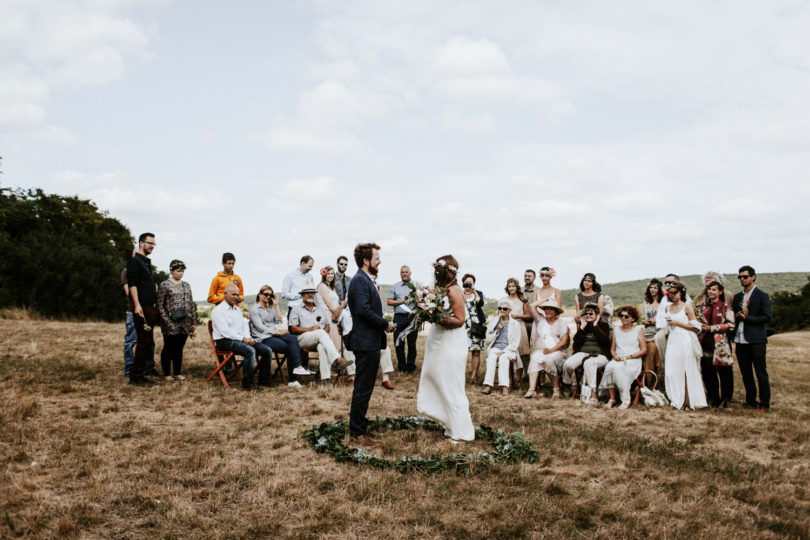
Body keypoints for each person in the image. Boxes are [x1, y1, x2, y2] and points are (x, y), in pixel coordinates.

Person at [417, 255, 475, 443]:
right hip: (439, 339)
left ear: (449, 271)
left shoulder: (454, 290)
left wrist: (435, 318)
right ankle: (450, 424)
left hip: (450, 342)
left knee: (451, 384)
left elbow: (459, 320)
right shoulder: (442, 289)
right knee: (437, 379)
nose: (436, 273)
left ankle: (462, 432)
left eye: (439, 270)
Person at [347, 242, 396, 446]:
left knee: (365, 387)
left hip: (371, 341)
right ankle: (357, 433)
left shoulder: (366, 280)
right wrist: (385, 324)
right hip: (365, 342)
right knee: (363, 388)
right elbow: (363, 311)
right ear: (366, 261)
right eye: (376, 259)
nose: (380, 261)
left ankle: (360, 423)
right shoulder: (359, 281)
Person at [249, 285, 313, 388]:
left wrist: (276, 305)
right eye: (266, 294)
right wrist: (277, 332)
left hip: (273, 335)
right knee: (291, 347)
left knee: (293, 338)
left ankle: (298, 367)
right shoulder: (254, 309)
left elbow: (278, 320)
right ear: (259, 295)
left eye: (270, 295)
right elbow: (259, 327)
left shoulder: (270, 308)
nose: (268, 297)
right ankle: (293, 379)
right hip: (262, 338)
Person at [211, 285, 272, 390]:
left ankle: (264, 381)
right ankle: (248, 384)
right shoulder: (218, 311)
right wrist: (243, 339)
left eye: (237, 294)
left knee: (267, 350)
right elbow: (225, 332)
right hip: (224, 341)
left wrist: (248, 338)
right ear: (225, 294)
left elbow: (244, 326)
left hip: (240, 339)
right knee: (250, 350)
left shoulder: (237, 310)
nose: (236, 297)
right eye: (233, 294)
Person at [289, 287, 349, 383]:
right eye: (307, 293)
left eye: (312, 293)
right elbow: (293, 328)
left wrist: (323, 331)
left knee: (322, 347)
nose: (310, 295)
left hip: (319, 338)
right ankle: (337, 359)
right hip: (303, 338)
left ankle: (325, 379)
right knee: (320, 333)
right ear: (302, 295)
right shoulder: (296, 309)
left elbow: (327, 326)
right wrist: (310, 329)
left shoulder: (319, 309)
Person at [733, 265, 772, 412]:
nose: (742, 279)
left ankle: (764, 404)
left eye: (745, 276)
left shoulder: (762, 295)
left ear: (753, 277)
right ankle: (751, 401)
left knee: (760, 373)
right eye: (740, 277)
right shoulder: (738, 297)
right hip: (740, 340)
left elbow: (767, 317)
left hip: (756, 340)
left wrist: (748, 318)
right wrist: (737, 317)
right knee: (746, 373)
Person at [662, 281, 707, 410]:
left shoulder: (687, 306)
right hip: (672, 340)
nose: (673, 295)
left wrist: (677, 323)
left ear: (681, 292)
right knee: (672, 370)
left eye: (675, 293)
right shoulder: (667, 308)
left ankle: (688, 401)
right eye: (670, 293)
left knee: (686, 371)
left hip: (685, 339)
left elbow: (696, 328)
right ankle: (677, 398)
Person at [562, 303, 612, 404]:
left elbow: (604, 340)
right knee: (568, 365)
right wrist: (582, 328)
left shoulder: (604, 325)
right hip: (582, 353)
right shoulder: (583, 326)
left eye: (591, 314)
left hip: (600, 355)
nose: (588, 315)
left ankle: (593, 393)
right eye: (586, 314)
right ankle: (567, 385)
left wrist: (595, 325)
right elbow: (575, 344)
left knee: (589, 363)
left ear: (597, 315)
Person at [126, 232, 158, 387]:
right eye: (149, 243)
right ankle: (136, 376)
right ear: (141, 243)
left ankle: (141, 372)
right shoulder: (135, 262)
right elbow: (132, 285)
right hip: (142, 307)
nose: (152, 246)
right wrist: (137, 305)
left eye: (153, 244)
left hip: (150, 306)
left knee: (147, 341)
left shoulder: (145, 262)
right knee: (143, 341)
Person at [599, 306, 646, 409]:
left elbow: (643, 350)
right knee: (609, 367)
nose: (623, 318)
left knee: (619, 369)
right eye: (621, 316)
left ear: (633, 318)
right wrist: (615, 356)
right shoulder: (616, 330)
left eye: (626, 316)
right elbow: (612, 348)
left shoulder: (639, 329)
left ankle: (625, 400)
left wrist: (629, 357)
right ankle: (612, 398)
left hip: (633, 359)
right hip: (618, 358)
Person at [157, 259, 197, 381]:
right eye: (178, 271)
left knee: (179, 348)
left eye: (182, 271)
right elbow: (160, 305)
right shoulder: (165, 285)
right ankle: (167, 373)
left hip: (185, 323)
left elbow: (191, 304)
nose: (180, 273)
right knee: (169, 348)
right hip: (170, 322)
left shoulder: (186, 285)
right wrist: (167, 321)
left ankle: (177, 372)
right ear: (172, 271)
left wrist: (193, 323)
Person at [699, 281, 735, 408]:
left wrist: (712, 328)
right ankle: (713, 398)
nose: (711, 292)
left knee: (724, 371)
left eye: (714, 289)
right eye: (709, 289)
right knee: (708, 372)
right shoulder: (704, 306)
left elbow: (731, 324)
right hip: (705, 342)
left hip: (720, 343)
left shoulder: (726, 306)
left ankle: (726, 398)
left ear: (720, 292)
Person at [525, 300, 569, 399]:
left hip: (558, 351)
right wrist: (546, 299)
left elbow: (564, 341)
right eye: (546, 309)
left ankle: (556, 389)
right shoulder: (540, 320)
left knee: (548, 359)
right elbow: (532, 306)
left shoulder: (561, 323)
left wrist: (551, 350)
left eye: (551, 309)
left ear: (556, 312)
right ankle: (532, 389)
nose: (548, 311)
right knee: (535, 357)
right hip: (542, 350)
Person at [653, 273, 693, 371]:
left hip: (681, 328)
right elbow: (660, 315)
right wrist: (661, 327)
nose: (667, 284)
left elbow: (688, 315)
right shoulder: (664, 298)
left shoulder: (685, 298)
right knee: (659, 342)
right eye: (665, 282)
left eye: (670, 282)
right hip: (665, 329)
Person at [481, 299, 521, 396]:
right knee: (491, 357)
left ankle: (504, 387)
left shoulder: (515, 324)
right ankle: (488, 385)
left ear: (509, 310)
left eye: (505, 309)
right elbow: (488, 340)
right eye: (500, 308)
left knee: (503, 358)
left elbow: (515, 343)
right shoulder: (494, 322)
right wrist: (497, 331)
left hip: (509, 349)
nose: (502, 310)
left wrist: (504, 351)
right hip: (495, 347)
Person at [388, 265, 417, 373]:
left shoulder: (416, 286)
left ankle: (410, 367)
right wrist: (400, 302)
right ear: (400, 274)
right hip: (399, 318)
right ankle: (401, 366)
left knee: (412, 344)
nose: (404, 273)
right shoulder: (395, 286)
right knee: (398, 343)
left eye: (406, 272)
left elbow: (422, 300)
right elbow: (389, 301)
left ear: (410, 273)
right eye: (402, 272)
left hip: (412, 318)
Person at [503, 277, 531, 385]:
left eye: (513, 286)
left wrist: (517, 316)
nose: (511, 288)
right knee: (510, 352)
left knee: (520, 353)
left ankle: (519, 379)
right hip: (508, 327)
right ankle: (510, 379)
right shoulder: (504, 300)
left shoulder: (522, 300)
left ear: (517, 287)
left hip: (520, 326)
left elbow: (528, 315)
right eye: (509, 286)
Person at [316, 266, 348, 358]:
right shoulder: (322, 286)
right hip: (328, 315)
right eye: (328, 273)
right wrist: (337, 315)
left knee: (338, 339)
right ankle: (333, 366)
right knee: (333, 339)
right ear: (324, 274)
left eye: (332, 273)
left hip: (335, 314)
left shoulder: (331, 287)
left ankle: (339, 363)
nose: (330, 275)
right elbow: (329, 304)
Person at [461, 273, 486, 384]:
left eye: (470, 282)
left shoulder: (478, 293)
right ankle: (459, 374)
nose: (468, 284)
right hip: (462, 325)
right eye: (466, 282)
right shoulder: (460, 294)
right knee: (461, 352)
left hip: (476, 326)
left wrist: (474, 291)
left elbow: (480, 303)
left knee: (476, 352)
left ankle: (473, 376)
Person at [641, 279, 663, 382]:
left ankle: (656, 382)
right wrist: (645, 322)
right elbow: (643, 318)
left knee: (656, 360)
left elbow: (664, 319)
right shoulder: (646, 303)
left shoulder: (663, 302)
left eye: (655, 288)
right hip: (646, 332)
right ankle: (645, 381)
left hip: (658, 333)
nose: (652, 290)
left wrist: (655, 321)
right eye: (651, 287)